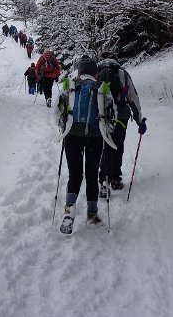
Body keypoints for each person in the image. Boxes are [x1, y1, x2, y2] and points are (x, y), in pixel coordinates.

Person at [57, 55, 105, 230]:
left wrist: (63, 128)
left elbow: (59, 110)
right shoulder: (100, 87)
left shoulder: (70, 87)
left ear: (80, 70)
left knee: (75, 174)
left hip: (72, 136)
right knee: (92, 175)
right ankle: (92, 213)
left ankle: (69, 209)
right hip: (95, 137)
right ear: (95, 72)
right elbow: (110, 114)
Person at [97, 52, 146, 196]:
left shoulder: (97, 73)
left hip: (102, 117)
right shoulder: (123, 74)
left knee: (105, 147)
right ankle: (115, 179)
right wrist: (139, 121)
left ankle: (103, 182)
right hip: (120, 117)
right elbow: (133, 97)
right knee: (117, 147)